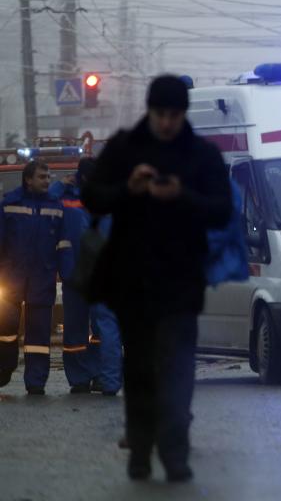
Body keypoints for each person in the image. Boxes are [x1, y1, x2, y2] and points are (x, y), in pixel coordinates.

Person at [83, 75, 231, 482]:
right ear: (149, 111)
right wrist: (128, 189)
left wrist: (182, 195)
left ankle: (175, 453)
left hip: (181, 283)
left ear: (183, 114)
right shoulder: (124, 148)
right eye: (160, 114)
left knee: (179, 370)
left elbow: (221, 209)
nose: (167, 123)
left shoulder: (201, 155)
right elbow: (92, 196)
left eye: (174, 115)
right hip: (133, 282)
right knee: (141, 369)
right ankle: (140, 450)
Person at [50, 159, 123, 396]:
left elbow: (47, 201)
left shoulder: (67, 198)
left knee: (77, 330)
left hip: (76, 273)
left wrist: (61, 184)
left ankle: (82, 378)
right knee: (103, 329)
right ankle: (105, 380)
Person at [0, 159, 72, 395]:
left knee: (39, 337)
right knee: (6, 332)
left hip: (42, 278)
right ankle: (3, 371)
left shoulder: (56, 206)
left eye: (49, 177)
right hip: (11, 279)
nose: (47, 181)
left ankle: (36, 383)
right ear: (28, 179)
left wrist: (66, 273)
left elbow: (63, 244)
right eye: (42, 177)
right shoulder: (9, 204)